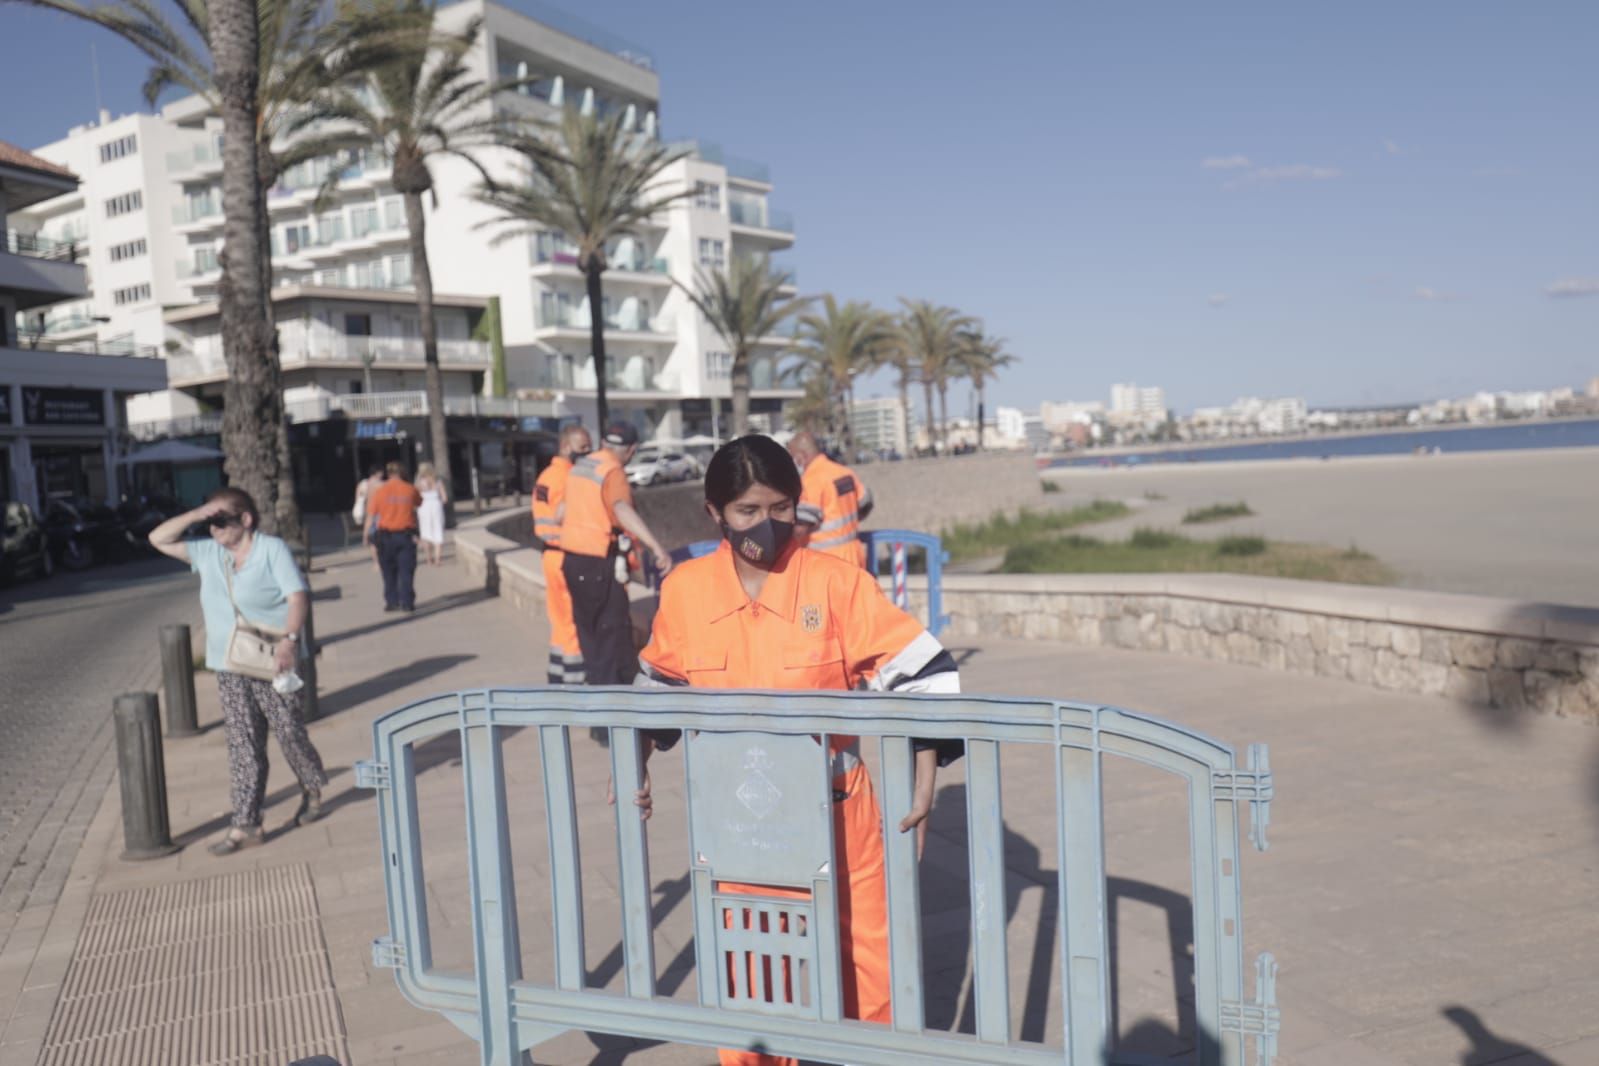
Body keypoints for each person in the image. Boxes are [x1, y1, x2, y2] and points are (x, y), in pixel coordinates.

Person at [629, 434, 962, 1066]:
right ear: (715, 514)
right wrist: (635, 765)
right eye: (748, 511)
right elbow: (655, 693)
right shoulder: (687, 591)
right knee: (752, 986)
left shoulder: (837, 583)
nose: (767, 525)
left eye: (780, 508)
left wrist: (925, 783)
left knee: (873, 974)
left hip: (842, 818)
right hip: (740, 829)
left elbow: (925, 671)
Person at [148, 487, 328, 855]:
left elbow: (297, 596)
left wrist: (290, 641)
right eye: (211, 523)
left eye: (222, 521)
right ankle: (246, 825)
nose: (215, 530)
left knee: (289, 733)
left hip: (274, 659)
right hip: (229, 663)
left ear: (245, 520)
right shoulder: (209, 553)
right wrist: (199, 513)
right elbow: (158, 538)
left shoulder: (270, 550)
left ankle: (311, 786)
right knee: (243, 744)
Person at [559, 422, 673, 685]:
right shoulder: (613, 470)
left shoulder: (581, 467)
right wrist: (657, 548)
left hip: (573, 562)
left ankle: (599, 718)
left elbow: (560, 513)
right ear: (631, 450)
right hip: (598, 564)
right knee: (612, 640)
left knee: (591, 639)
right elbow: (621, 508)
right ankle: (616, 716)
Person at [533, 424, 592, 684]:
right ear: (566, 447)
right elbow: (563, 514)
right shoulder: (567, 477)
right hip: (565, 555)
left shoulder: (547, 474)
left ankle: (556, 676)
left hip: (549, 556)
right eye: (583, 448)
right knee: (573, 622)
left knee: (558, 622)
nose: (588, 452)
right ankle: (575, 683)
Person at [787, 431, 874, 568]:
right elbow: (866, 504)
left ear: (802, 456)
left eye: (793, 458)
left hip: (827, 561)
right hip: (854, 554)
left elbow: (801, 528)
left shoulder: (811, 481)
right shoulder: (844, 472)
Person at [367, 460, 423, 612]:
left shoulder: (380, 491)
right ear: (402, 472)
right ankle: (407, 602)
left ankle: (392, 601)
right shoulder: (410, 489)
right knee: (406, 570)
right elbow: (419, 503)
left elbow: (371, 516)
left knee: (388, 571)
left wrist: (366, 535)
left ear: (388, 473)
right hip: (405, 535)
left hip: (385, 536)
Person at [352, 463, 385, 570]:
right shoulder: (382, 484)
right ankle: (383, 560)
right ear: (378, 473)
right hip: (382, 513)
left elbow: (358, 500)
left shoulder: (363, 484)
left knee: (373, 540)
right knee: (383, 538)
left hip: (369, 513)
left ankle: (376, 563)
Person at [415, 461, 448, 566]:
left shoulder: (419, 482)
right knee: (438, 530)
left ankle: (429, 559)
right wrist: (438, 502)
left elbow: (415, 496)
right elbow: (444, 498)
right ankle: (438, 559)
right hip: (436, 505)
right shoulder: (437, 481)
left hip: (423, 507)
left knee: (426, 532)